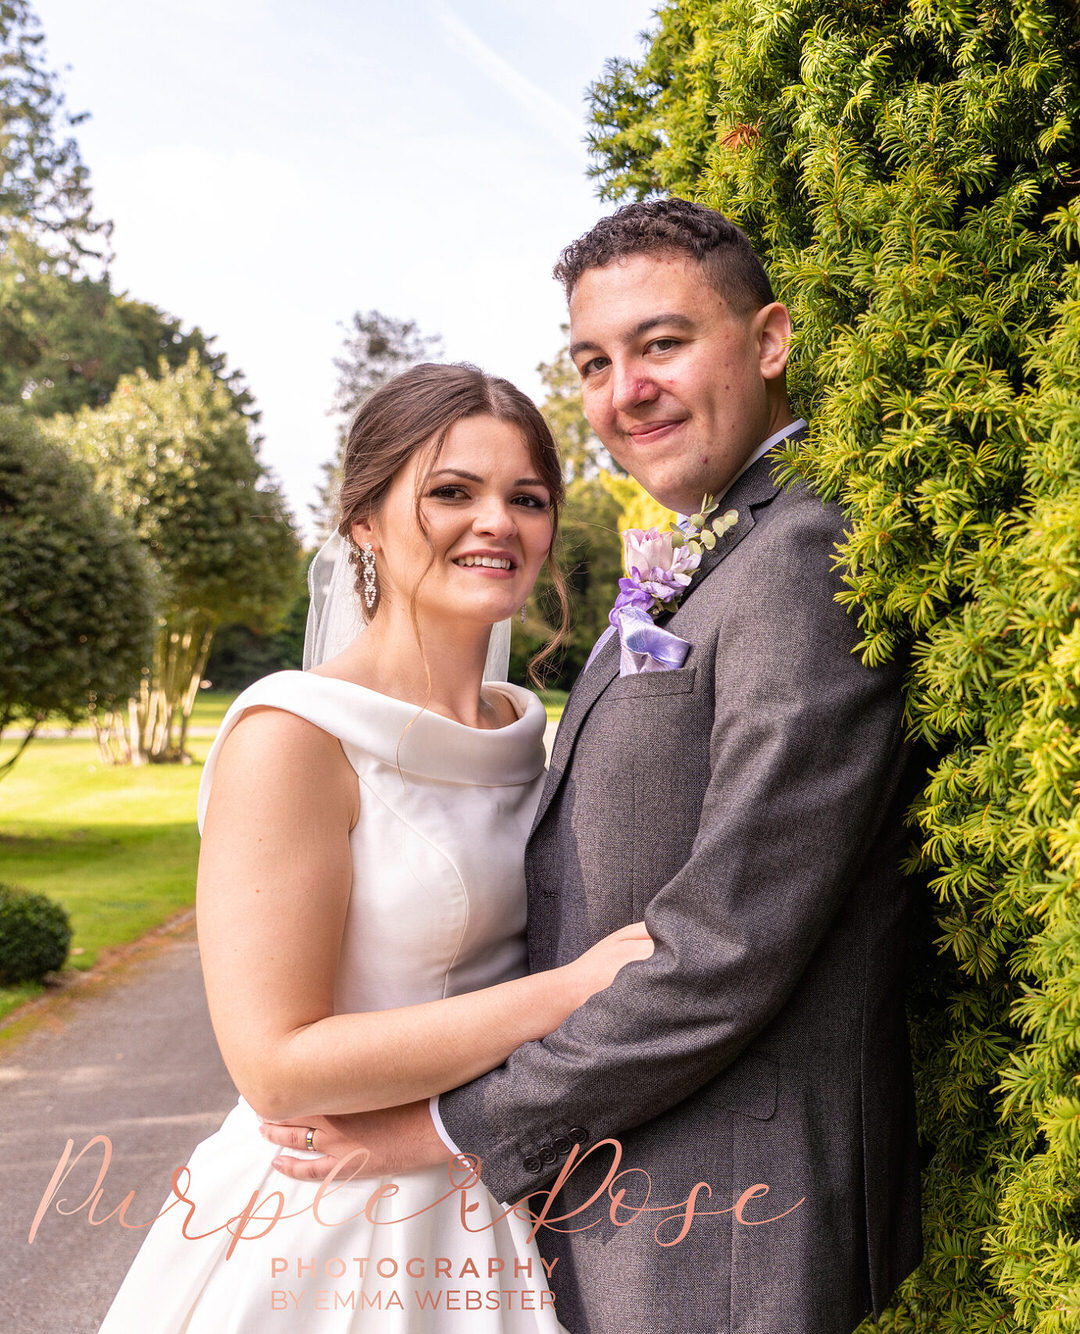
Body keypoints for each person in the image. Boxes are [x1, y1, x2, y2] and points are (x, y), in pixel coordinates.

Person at [258, 199, 925, 1333]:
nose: (626, 390)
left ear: (768, 342)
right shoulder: (712, 549)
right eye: (594, 362)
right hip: (617, 1189)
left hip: (723, 1215)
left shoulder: (799, 556)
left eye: (661, 343)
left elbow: (725, 945)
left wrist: (448, 1130)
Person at [96, 364, 653, 1332]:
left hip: (507, 1189)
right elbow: (275, 1063)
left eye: (526, 497)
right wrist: (568, 992)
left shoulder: (540, 737)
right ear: (362, 520)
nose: (497, 521)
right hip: (337, 1219)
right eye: (451, 491)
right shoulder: (294, 736)